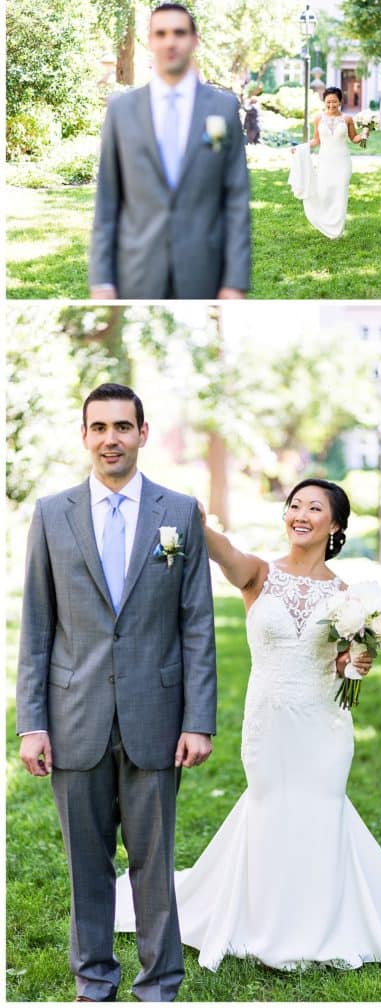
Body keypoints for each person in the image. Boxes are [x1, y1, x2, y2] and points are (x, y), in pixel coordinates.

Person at [115, 478, 381, 970]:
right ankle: (266, 923)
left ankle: (320, 925)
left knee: (321, 811)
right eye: (294, 506)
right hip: (269, 723)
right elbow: (222, 551)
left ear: (336, 524)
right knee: (270, 807)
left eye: (314, 508)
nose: (300, 514)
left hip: (325, 724)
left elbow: (346, 664)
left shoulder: (351, 597)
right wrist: (192, 515)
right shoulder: (259, 575)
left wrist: (353, 667)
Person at [16, 383, 217, 1002]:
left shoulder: (178, 513)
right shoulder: (52, 514)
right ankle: (94, 981)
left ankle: (159, 983)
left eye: (122, 427)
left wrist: (199, 719)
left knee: (153, 863)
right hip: (73, 716)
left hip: (156, 716)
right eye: (98, 427)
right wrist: (32, 723)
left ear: (143, 433)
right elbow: (37, 626)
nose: (111, 439)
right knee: (86, 863)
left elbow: (197, 623)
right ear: (84, 436)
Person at [88, 3, 251, 299]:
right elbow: (107, 200)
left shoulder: (223, 108)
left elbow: (236, 199)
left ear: (194, 40)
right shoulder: (120, 110)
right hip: (137, 272)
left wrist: (235, 281)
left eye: (179, 32)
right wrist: (101, 280)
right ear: (150, 41)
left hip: (205, 272)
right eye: (160, 33)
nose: (170, 41)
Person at [288, 86, 369, 239]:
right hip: (325, 161)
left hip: (343, 162)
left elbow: (355, 139)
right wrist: (300, 148)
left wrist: (365, 132)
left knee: (340, 192)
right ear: (324, 102)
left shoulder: (347, 119)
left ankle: (337, 231)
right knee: (324, 192)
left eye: (334, 102)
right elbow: (316, 140)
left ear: (340, 101)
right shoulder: (318, 118)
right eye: (328, 102)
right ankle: (325, 222)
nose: (331, 105)